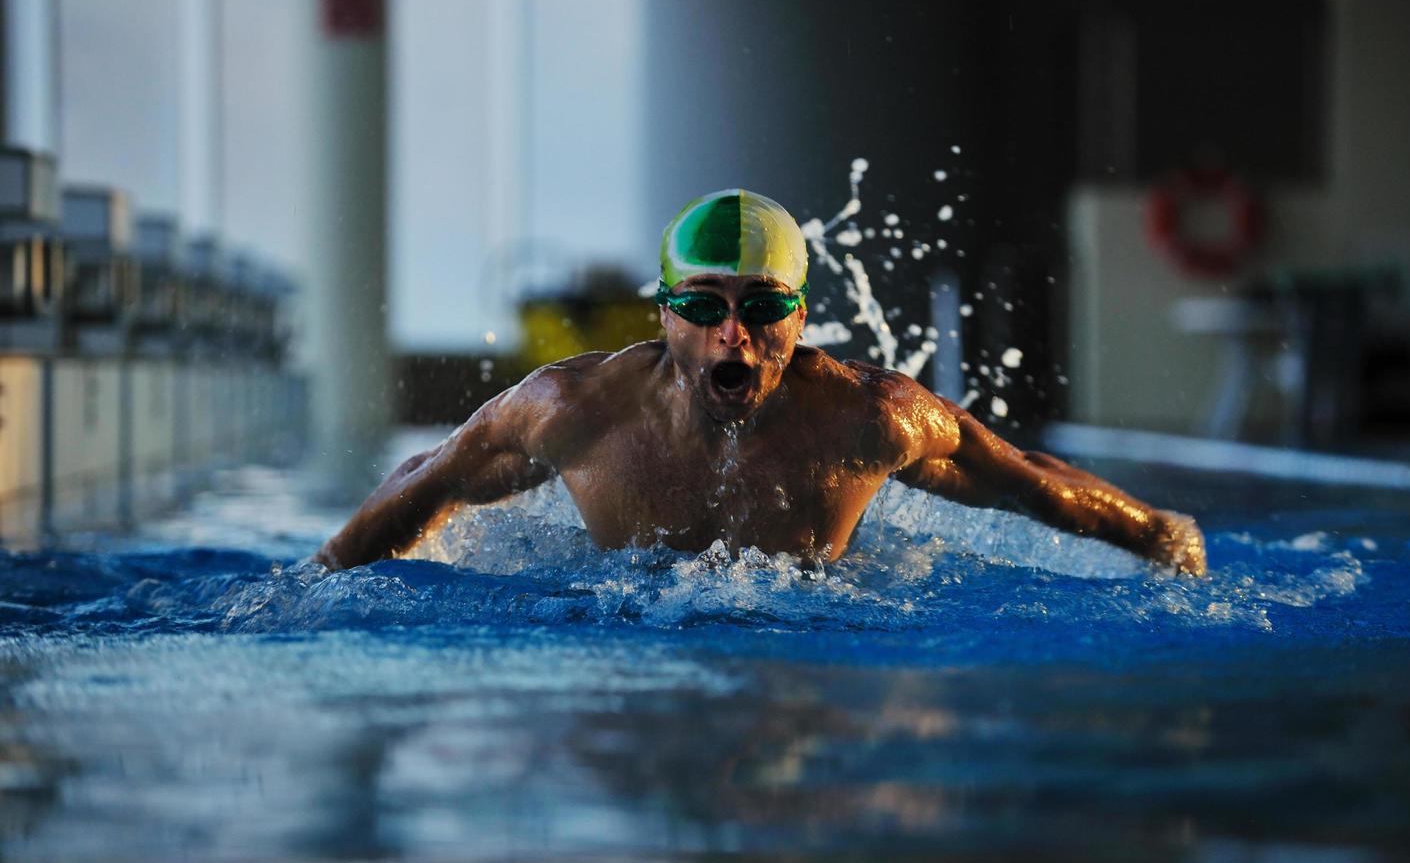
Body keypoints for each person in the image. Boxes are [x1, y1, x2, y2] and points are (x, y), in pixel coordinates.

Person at [314, 189, 1206, 575]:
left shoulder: (872, 419)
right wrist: (322, 576)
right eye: (702, 306)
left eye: (763, 304)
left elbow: (1030, 478)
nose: (732, 333)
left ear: (803, 314)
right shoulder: (574, 410)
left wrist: (1162, 533)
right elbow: (428, 478)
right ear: (662, 313)